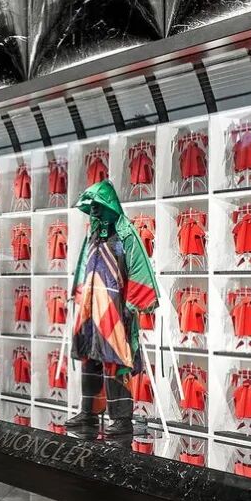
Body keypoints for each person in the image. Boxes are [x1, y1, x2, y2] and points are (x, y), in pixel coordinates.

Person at [67, 180, 159, 440]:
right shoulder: (93, 233)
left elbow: (140, 266)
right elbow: (84, 264)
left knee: (116, 361)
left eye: (97, 205)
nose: (94, 210)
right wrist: (79, 294)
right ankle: (89, 413)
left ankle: (121, 419)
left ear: (109, 205)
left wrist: (132, 304)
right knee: (90, 357)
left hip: (115, 308)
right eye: (91, 206)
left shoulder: (126, 234)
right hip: (91, 308)